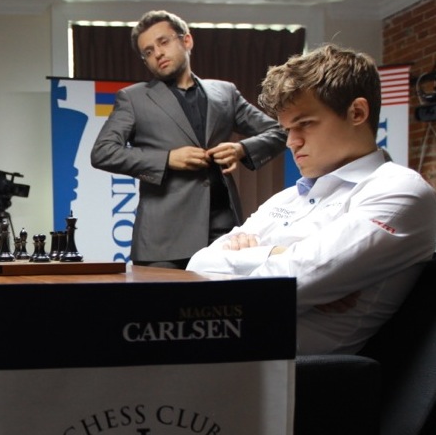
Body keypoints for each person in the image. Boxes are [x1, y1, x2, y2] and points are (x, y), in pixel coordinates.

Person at [186, 43, 436, 355]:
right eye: (287, 129)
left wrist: (269, 262)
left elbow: (290, 282)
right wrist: (282, 254)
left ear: (357, 112)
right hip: (226, 352)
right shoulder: (288, 197)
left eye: (304, 124)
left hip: (296, 376)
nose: (292, 141)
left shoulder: (399, 189)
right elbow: (197, 267)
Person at [91, 10, 287, 269]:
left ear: (186, 41)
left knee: (223, 309)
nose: (157, 53)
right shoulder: (133, 98)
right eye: (148, 52)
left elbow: (280, 131)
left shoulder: (225, 93)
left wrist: (241, 149)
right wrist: (168, 159)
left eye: (163, 42)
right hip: (162, 241)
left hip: (224, 232)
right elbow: (103, 151)